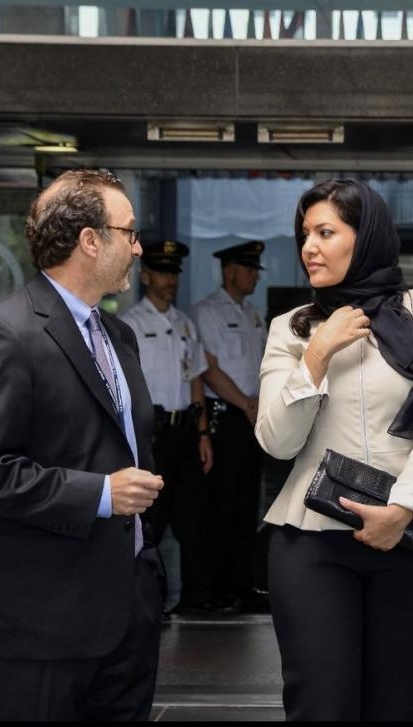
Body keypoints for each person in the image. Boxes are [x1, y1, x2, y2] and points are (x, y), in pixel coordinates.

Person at [0, 169, 165, 721]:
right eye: (129, 232)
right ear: (91, 240)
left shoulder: (119, 336)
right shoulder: (3, 332)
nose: (138, 247)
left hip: (124, 616)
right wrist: (101, 494)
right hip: (32, 625)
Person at [254, 178, 413, 721]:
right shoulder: (292, 328)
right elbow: (277, 442)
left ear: (366, 236)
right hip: (313, 542)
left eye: (326, 232)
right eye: (305, 234)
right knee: (320, 703)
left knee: (397, 705)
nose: (309, 247)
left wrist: (405, 508)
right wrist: (317, 354)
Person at [120, 239, 214, 615]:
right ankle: (149, 603)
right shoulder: (130, 325)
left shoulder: (185, 324)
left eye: (174, 273)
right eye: (162, 272)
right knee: (150, 521)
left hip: (185, 432)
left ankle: (196, 599)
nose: (170, 279)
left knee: (193, 520)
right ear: (146, 277)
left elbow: (195, 379)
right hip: (152, 435)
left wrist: (204, 433)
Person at [191, 240, 267, 612]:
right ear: (229, 271)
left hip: (251, 417)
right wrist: (246, 405)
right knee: (221, 506)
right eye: (249, 268)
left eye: (256, 269)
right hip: (226, 415)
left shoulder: (254, 314)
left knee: (246, 506)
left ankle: (242, 584)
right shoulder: (208, 311)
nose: (255, 275)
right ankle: (217, 588)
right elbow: (207, 370)